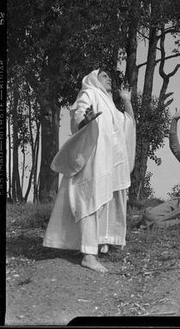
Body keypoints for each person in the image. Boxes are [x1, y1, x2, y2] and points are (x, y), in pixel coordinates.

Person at [43, 68, 136, 273]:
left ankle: (100, 242)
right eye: (104, 76)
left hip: (109, 161)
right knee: (89, 201)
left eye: (109, 76)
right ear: (94, 79)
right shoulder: (89, 93)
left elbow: (127, 125)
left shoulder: (110, 103)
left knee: (104, 200)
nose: (109, 78)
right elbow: (78, 117)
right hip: (92, 158)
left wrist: (126, 101)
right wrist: (87, 120)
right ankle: (88, 255)